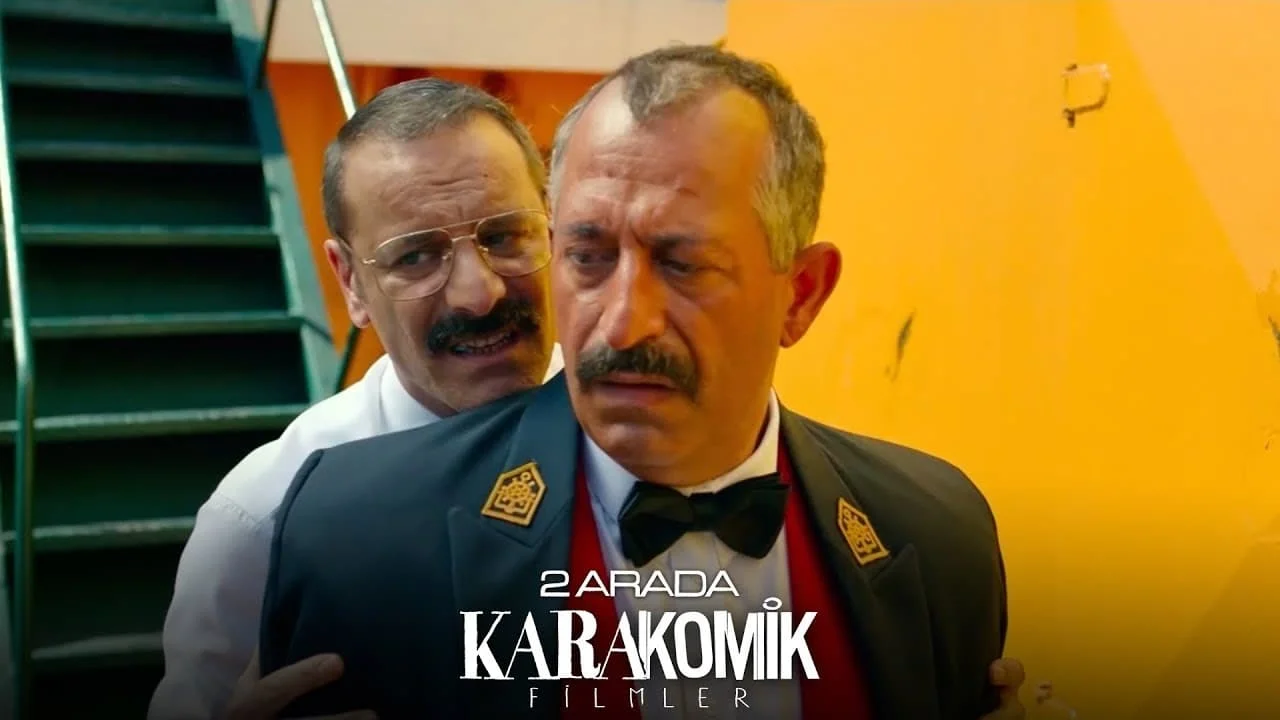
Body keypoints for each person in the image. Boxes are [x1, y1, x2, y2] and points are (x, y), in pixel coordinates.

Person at [255, 45, 1014, 720]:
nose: (622, 325)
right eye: (588, 257)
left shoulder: (937, 535)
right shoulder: (353, 534)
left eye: (683, 265)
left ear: (802, 294)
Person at [149, 78, 564, 720]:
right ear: (351, 283)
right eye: (416, 256)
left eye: (506, 237)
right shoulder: (262, 515)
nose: (478, 294)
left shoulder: (643, 436)